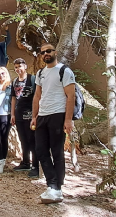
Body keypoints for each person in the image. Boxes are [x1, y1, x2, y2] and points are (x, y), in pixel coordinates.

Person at [31, 43, 76, 204]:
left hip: (58, 114)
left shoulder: (64, 71)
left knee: (56, 151)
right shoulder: (40, 73)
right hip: (42, 115)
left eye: (48, 51)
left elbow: (71, 96)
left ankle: (56, 188)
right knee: (40, 150)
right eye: (42, 52)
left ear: (55, 52)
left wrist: (68, 120)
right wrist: (34, 116)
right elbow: (37, 95)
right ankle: (52, 184)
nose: (45, 54)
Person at [10, 58, 38, 178]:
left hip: (30, 115)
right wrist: (12, 114)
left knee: (33, 141)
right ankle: (25, 162)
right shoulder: (15, 81)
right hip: (19, 115)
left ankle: (36, 165)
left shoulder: (33, 79)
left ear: (25, 66)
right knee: (23, 140)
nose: (18, 69)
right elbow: (13, 99)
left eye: (19, 66)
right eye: (16, 67)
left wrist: (36, 115)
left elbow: (38, 97)